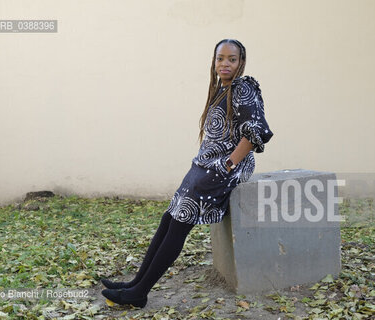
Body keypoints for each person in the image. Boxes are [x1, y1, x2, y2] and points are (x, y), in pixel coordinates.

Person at [101, 39, 274, 308]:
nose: (225, 64)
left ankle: (139, 293)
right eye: (220, 58)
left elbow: (255, 132)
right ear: (214, 61)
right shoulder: (221, 88)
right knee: (169, 217)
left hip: (224, 169)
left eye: (232, 59)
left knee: (180, 222)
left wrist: (227, 165)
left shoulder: (243, 88)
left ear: (241, 62)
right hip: (205, 165)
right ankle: (136, 283)